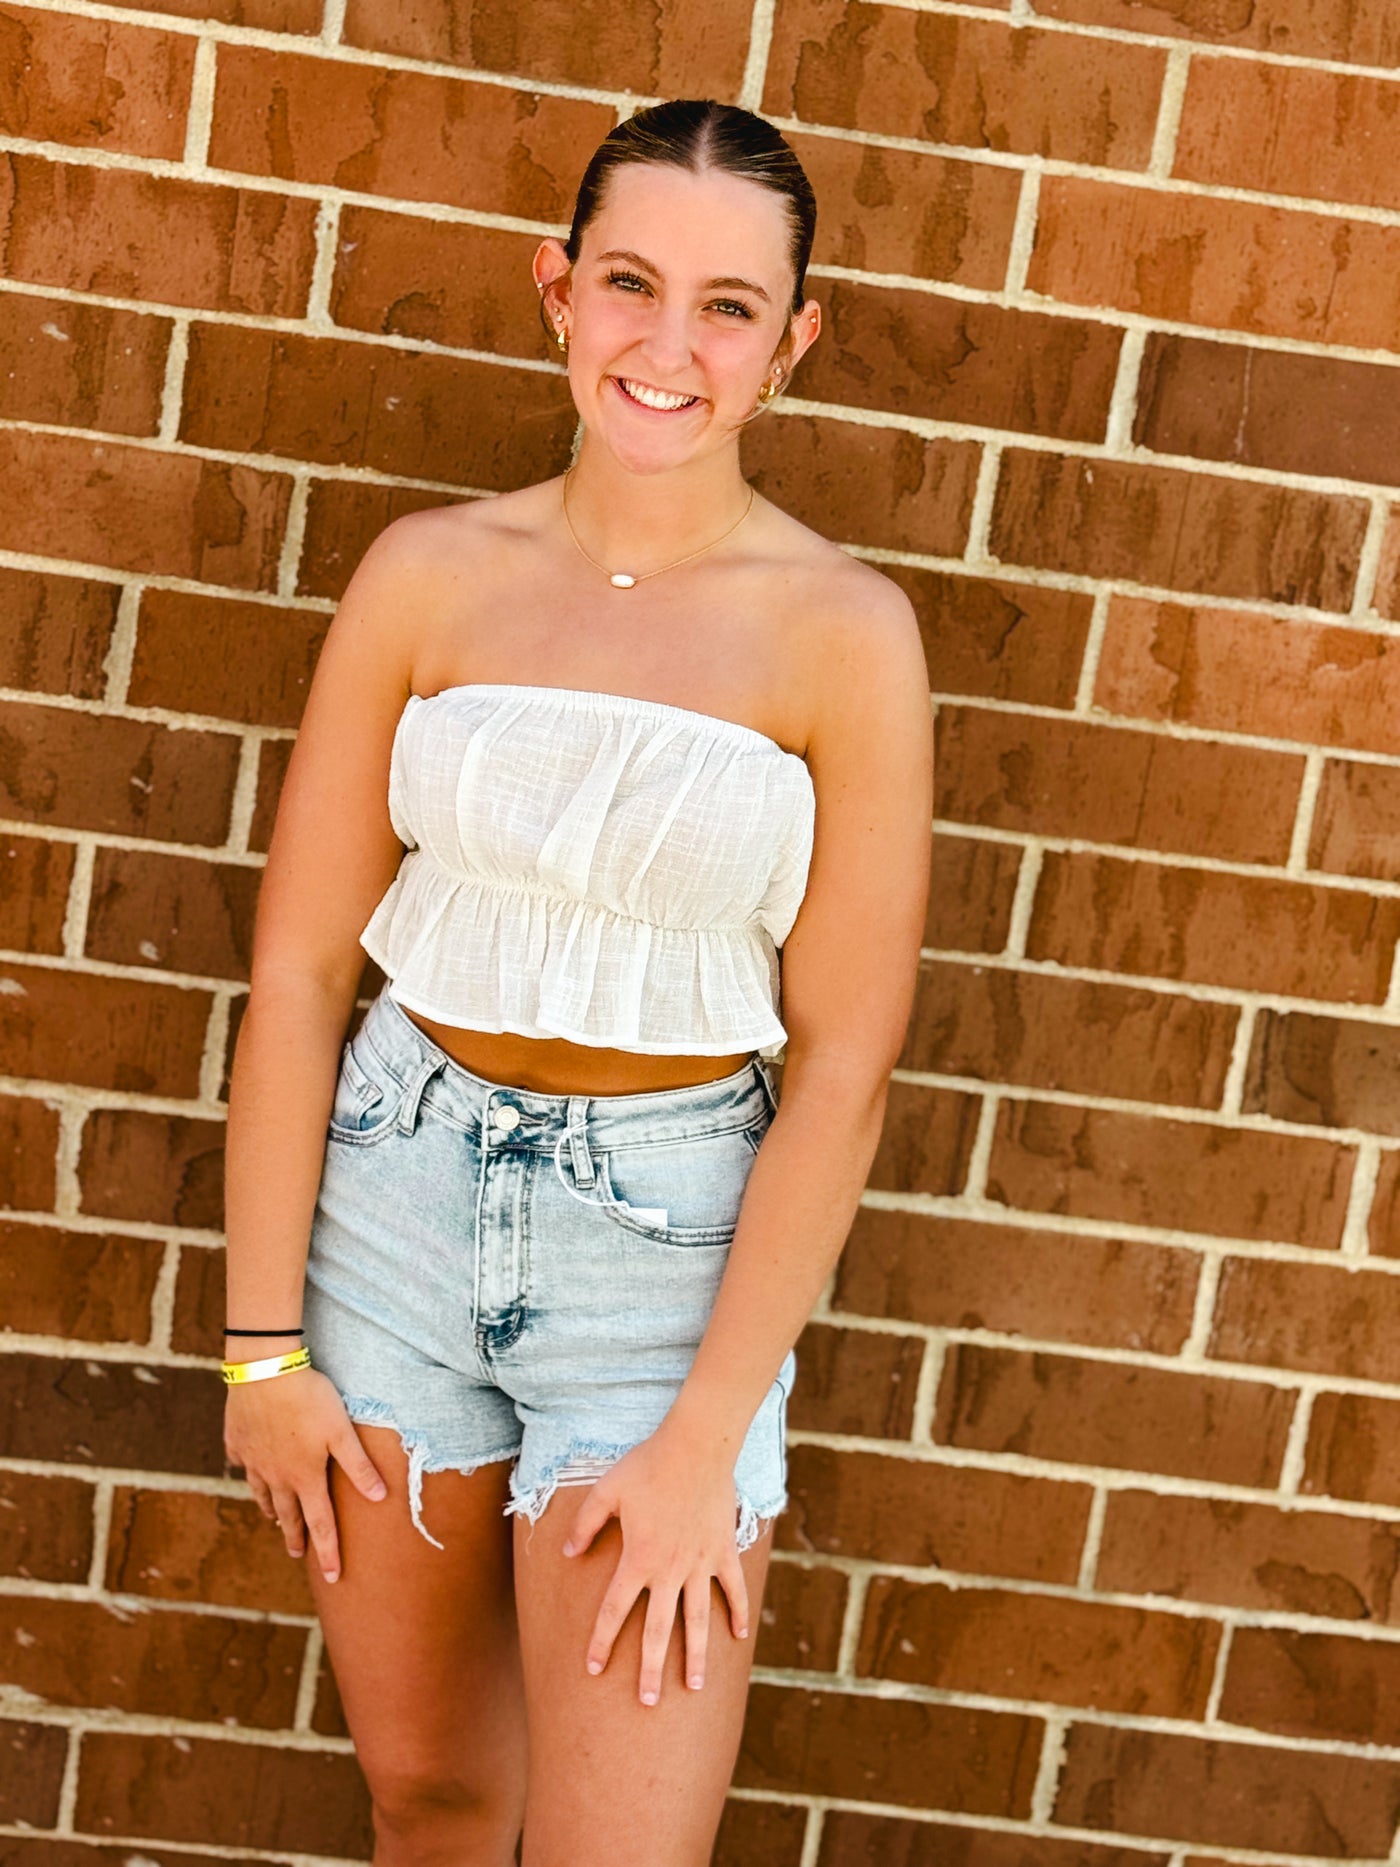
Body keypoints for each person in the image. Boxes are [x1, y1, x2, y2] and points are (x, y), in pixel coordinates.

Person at [221, 97, 932, 1867]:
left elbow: (843, 1060)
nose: (667, 346)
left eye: (727, 306)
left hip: (667, 1274)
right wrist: (258, 1354)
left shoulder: (845, 634)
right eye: (630, 283)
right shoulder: (430, 576)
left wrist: (706, 1437)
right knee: (438, 1803)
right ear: (558, 293)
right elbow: (303, 972)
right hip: (392, 1221)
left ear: (793, 341)